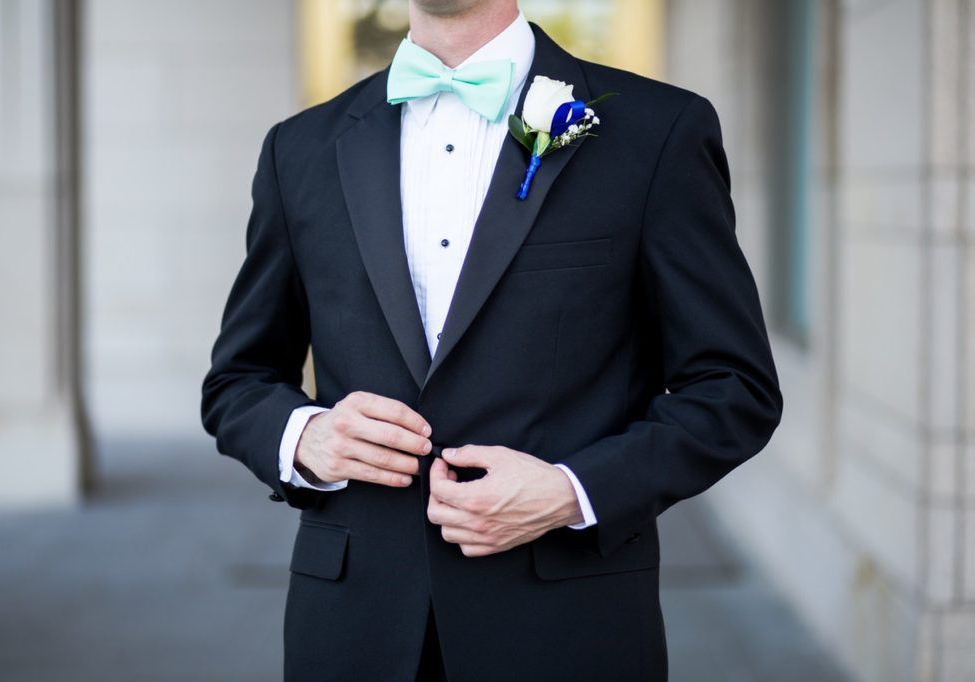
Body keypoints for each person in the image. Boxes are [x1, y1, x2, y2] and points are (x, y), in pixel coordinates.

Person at [201, 1, 782, 679]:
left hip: (567, 630)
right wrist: (307, 437)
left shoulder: (656, 132)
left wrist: (572, 490)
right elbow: (237, 382)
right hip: (353, 632)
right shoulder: (297, 149)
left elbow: (734, 388)